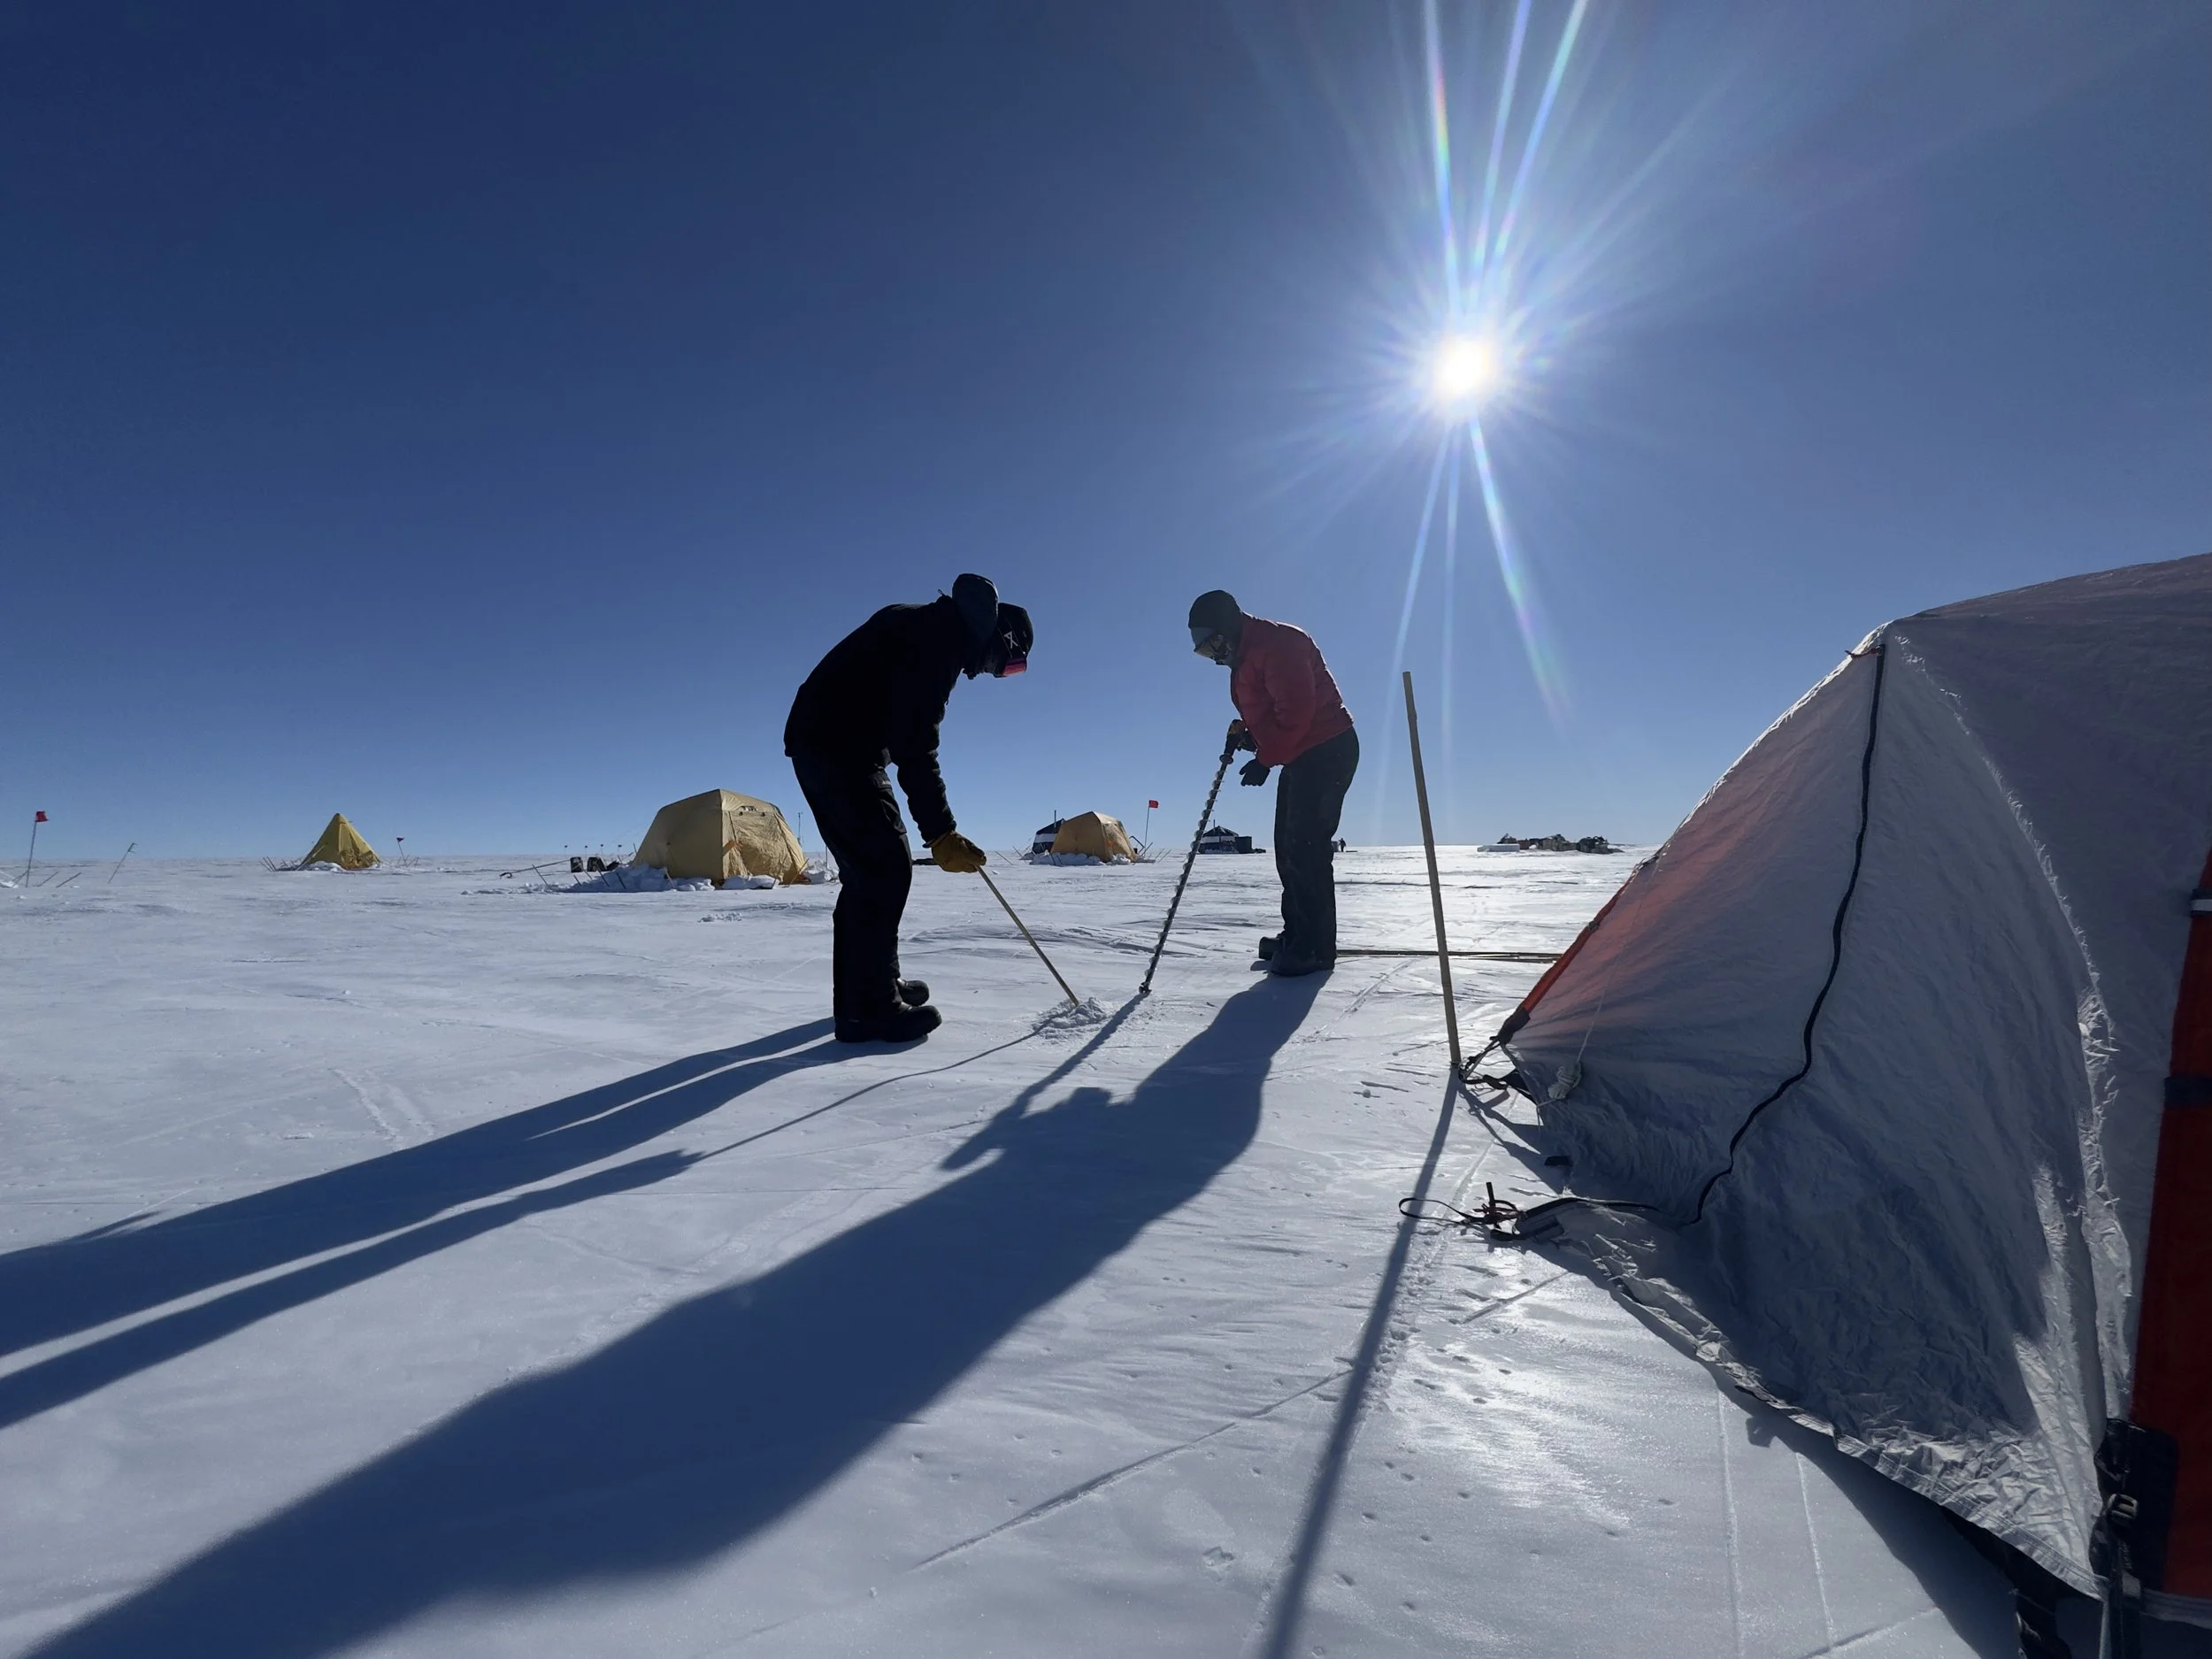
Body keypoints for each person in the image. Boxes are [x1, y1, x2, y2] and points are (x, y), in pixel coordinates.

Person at [787, 574, 1033, 1042]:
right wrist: (941, 832)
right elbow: (917, 746)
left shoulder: (931, 626)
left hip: (836, 745)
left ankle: (876, 984)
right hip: (835, 746)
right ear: (1001, 640)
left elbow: (906, 736)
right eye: (1009, 666)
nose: (992, 673)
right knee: (881, 870)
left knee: (877, 870)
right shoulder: (938, 642)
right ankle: (868, 1011)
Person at [1187, 589, 1358, 976]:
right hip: (1299, 754)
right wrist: (1250, 739)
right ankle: (1298, 934)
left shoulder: (1279, 644)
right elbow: (1273, 715)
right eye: (1204, 651)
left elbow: (1297, 713)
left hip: (1327, 749)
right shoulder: (1246, 659)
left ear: (1230, 626)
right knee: (1288, 848)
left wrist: (1265, 759)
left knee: (1307, 848)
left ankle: (1313, 949)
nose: (1214, 656)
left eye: (1213, 643)